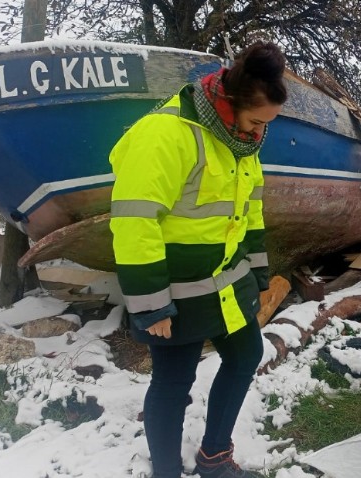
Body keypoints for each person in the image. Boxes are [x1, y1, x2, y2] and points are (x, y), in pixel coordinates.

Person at [109, 41, 288, 478]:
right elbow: (134, 219)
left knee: (246, 355)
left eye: (267, 125)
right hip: (177, 291)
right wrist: (150, 302)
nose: (259, 133)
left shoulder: (241, 144)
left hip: (227, 286)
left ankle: (214, 459)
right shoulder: (166, 134)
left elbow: (250, 213)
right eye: (255, 121)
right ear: (229, 102)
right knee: (173, 384)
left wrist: (259, 273)